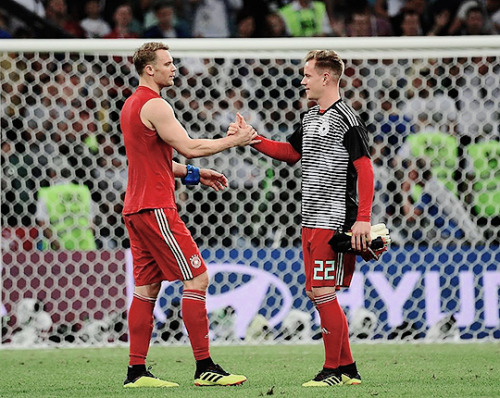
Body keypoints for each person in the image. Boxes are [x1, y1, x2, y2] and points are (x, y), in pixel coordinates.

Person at [119, 41, 258, 388]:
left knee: (146, 289)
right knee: (197, 279)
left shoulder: (131, 105)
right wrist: (235, 141)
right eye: (167, 63)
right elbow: (190, 146)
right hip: (156, 208)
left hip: (135, 208)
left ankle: (136, 373)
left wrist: (195, 174)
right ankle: (205, 367)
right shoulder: (155, 104)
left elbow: (155, 159)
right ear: (149, 69)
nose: (174, 68)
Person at [236, 50, 373, 387]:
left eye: (307, 74)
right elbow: (290, 153)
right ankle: (349, 368)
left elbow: (365, 169)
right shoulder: (311, 117)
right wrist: (253, 138)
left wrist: (364, 220)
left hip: (335, 218)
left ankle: (333, 371)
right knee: (316, 291)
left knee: (323, 290)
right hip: (309, 218)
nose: (302, 80)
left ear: (326, 77)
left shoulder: (347, 119)